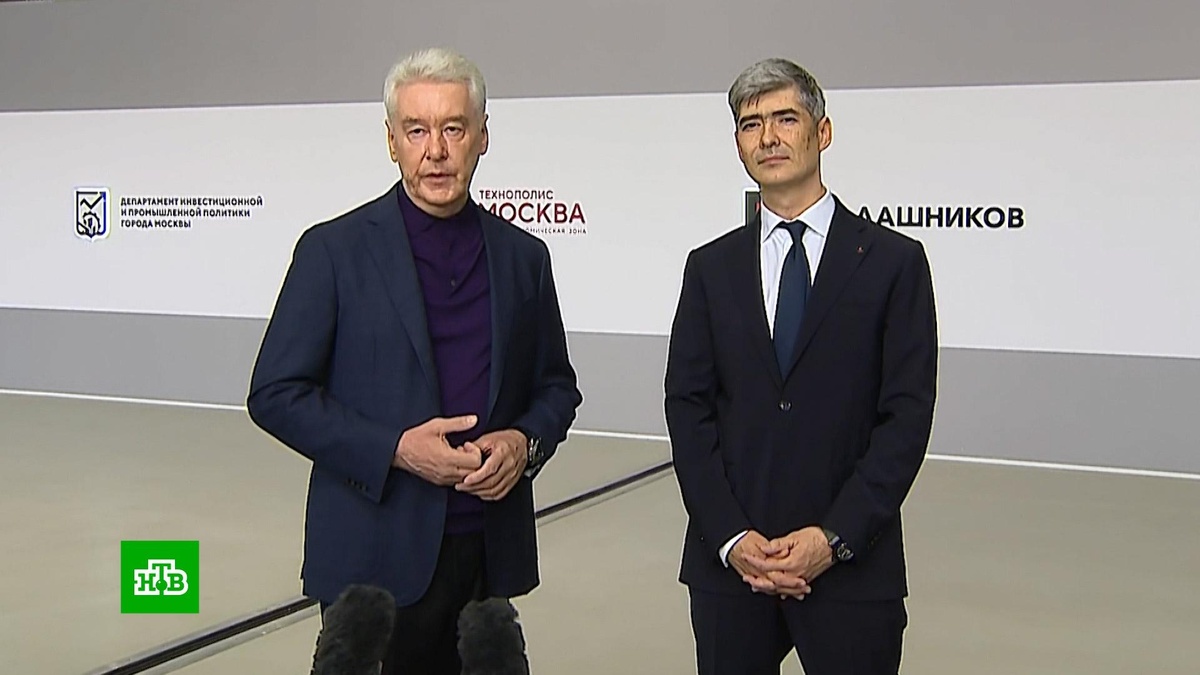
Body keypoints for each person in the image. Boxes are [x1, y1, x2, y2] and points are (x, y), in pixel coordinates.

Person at [246, 46, 583, 675]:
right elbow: (274, 393)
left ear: (482, 137)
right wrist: (396, 449)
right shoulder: (332, 251)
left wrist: (523, 443)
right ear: (392, 141)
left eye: (453, 129)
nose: (436, 151)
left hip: (484, 558)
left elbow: (556, 388)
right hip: (372, 563)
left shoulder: (523, 257)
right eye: (417, 130)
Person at [664, 57, 938, 675]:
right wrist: (731, 537)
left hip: (852, 570)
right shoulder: (709, 268)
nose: (768, 137)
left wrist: (833, 538)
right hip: (732, 572)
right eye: (750, 124)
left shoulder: (894, 263)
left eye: (785, 118)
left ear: (823, 132)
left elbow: (906, 418)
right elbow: (687, 408)